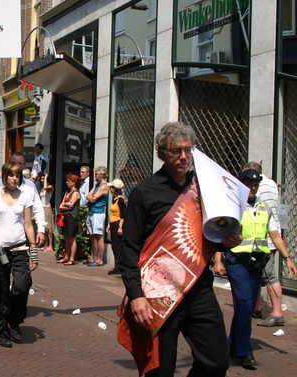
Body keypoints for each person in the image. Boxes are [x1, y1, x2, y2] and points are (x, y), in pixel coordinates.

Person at [118, 121, 243, 376]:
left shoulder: (205, 189)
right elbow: (129, 248)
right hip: (159, 293)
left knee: (216, 362)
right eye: (176, 151)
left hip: (198, 289)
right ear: (161, 153)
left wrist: (227, 242)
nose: (184, 156)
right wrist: (136, 295)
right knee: (160, 370)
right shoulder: (144, 192)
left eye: (188, 150)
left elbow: (210, 235)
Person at [213, 169, 297, 369]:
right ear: (240, 185)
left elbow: (275, 235)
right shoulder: (233, 206)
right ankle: (244, 351)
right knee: (243, 302)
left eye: (255, 185)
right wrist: (218, 260)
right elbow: (220, 236)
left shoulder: (264, 207)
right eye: (248, 184)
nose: (252, 188)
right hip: (237, 261)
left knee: (247, 307)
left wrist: (288, 258)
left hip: (256, 262)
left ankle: (233, 343)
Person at [0, 161, 38, 348]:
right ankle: (1, 331)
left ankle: (14, 321)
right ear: (5, 176)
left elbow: (28, 224)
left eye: (18, 176)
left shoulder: (25, 197)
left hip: (20, 248)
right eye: (11, 175)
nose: (15, 179)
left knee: (22, 286)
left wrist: (33, 249)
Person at [244, 162, 289, 327]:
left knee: (269, 277)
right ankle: (256, 309)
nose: (251, 186)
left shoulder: (257, 188)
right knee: (257, 276)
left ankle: (277, 313)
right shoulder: (272, 184)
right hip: (268, 234)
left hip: (265, 238)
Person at [0, 153, 46, 248]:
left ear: (24, 166)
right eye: (14, 162)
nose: (16, 165)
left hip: (23, 233)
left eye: (20, 163)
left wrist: (41, 229)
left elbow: (38, 209)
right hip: (0, 235)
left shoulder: (30, 185)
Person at [86, 166, 109, 266]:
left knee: (98, 236)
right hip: (91, 212)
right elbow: (88, 195)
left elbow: (93, 198)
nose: (95, 176)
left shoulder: (104, 186)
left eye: (96, 174)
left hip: (98, 213)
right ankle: (92, 257)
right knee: (92, 235)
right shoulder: (97, 185)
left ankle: (100, 259)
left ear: (102, 175)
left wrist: (90, 197)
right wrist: (90, 197)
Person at [57, 174, 81, 266]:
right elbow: (61, 205)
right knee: (66, 237)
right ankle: (66, 256)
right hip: (66, 216)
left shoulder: (76, 193)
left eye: (69, 181)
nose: (67, 182)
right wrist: (67, 204)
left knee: (71, 237)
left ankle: (72, 258)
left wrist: (66, 204)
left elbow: (71, 205)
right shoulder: (67, 193)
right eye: (67, 181)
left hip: (73, 217)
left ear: (74, 182)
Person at [106, 179, 126, 275]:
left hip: (118, 223)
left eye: (112, 187)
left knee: (118, 246)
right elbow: (112, 214)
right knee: (114, 245)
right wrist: (109, 225)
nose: (110, 189)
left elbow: (123, 214)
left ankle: (119, 267)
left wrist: (120, 227)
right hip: (113, 223)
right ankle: (116, 265)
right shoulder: (114, 199)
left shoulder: (120, 200)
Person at [39, 173, 55, 251]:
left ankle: (50, 246)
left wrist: (46, 177)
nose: (42, 180)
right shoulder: (42, 189)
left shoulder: (50, 187)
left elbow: (46, 187)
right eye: (41, 179)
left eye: (43, 179)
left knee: (49, 228)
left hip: (47, 207)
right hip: (42, 208)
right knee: (44, 227)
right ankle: (45, 245)